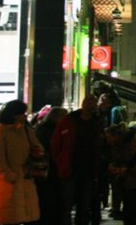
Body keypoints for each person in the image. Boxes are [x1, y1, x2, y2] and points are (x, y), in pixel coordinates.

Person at [51, 94, 103, 225]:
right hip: (71, 168)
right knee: (67, 205)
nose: (90, 104)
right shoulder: (69, 121)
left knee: (83, 206)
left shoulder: (96, 122)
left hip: (87, 170)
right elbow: (56, 144)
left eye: (93, 101)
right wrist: (61, 162)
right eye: (88, 101)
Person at [0, 99, 42, 225]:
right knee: (11, 216)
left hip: (25, 177)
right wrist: (8, 175)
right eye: (22, 113)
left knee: (25, 214)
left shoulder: (25, 130)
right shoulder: (1, 131)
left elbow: (37, 147)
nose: (25, 116)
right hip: (9, 181)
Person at [35, 106, 68, 225]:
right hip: (50, 170)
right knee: (50, 199)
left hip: (46, 171)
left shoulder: (41, 129)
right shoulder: (53, 131)